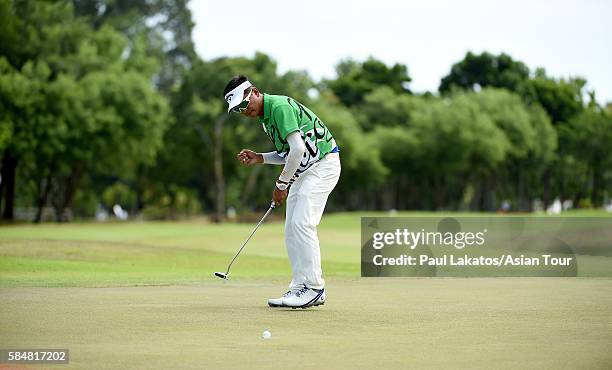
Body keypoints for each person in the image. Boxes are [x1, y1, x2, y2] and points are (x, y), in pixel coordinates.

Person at [223, 75, 341, 309]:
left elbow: (297, 150)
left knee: (302, 224)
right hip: (306, 170)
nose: (243, 112)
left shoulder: (279, 107)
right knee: (291, 229)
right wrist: (261, 158)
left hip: (323, 164)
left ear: (254, 92)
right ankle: (300, 286)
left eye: (243, 105)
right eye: (237, 110)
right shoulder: (267, 119)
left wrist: (281, 184)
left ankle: (314, 287)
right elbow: (289, 152)